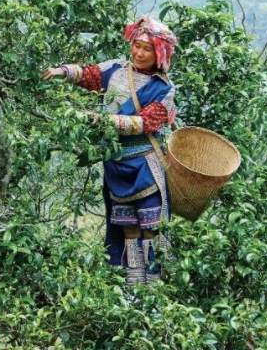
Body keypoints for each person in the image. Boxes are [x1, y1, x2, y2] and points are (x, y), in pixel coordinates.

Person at [42, 17, 177, 284]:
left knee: (151, 226)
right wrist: (61, 71)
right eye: (136, 45)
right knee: (127, 226)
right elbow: (89, 74)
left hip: (146, 166)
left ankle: (153, 284)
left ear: (159, 53)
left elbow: (144, 123)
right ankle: (131, 281)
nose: (139, 53)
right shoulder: (116, 70)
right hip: (116, 163)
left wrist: (100, 120)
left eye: (146, 49)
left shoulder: (164, 89)